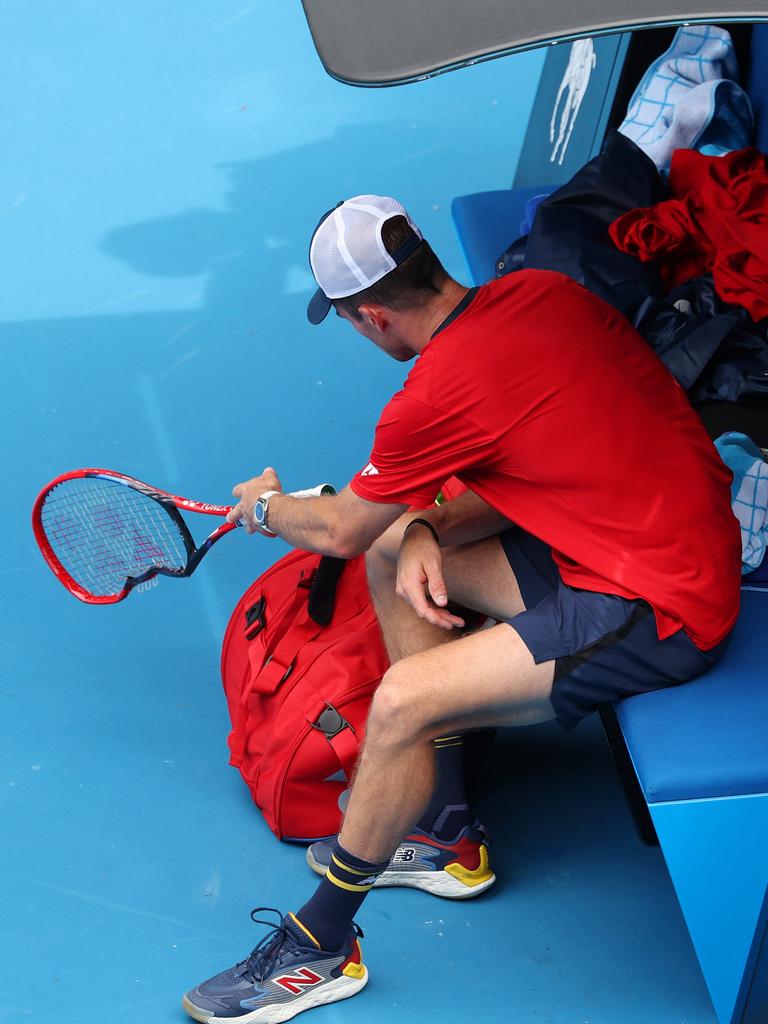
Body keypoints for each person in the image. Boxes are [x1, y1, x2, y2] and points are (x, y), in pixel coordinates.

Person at [182, 194, 740, 1023]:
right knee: (391, 543)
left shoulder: (434, 393)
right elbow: (511, 462)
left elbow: (335, 528)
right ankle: (445, 831)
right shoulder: (541, 294)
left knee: (402, 701)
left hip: (659, 597)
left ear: (370, 317)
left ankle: (322, 947)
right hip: (637, 531)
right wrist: (418, 532)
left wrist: (263, 508)